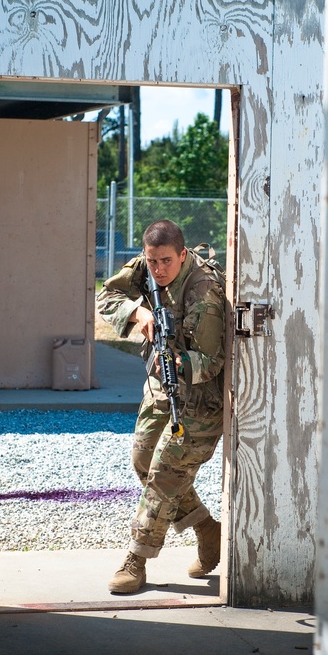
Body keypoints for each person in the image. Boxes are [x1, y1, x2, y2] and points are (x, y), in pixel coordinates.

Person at [96, 219, 226, 594]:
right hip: (160, 388)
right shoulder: (145, 265)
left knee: (165, 475)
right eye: (152, 261)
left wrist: (180, 363)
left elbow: (212, 362)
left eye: (166, 261)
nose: (158, 269)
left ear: (182, 255)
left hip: (200, 400)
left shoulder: (203, 292)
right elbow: (107, 297)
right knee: (142, 460)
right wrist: (140, 313)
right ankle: (206, 529)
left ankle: (136, 559)